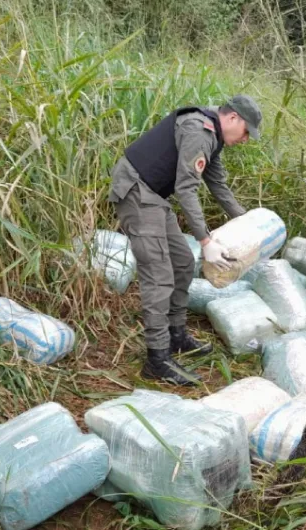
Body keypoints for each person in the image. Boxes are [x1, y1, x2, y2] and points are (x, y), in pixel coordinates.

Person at [108, 94, 263, 386]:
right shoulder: (198, 131)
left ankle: (176, 335)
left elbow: (217, 184)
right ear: (233, 119)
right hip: (137, 191)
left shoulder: (213, 137)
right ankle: (157, 359)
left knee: (181, 262)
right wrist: (206, 242)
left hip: (153, 195)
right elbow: (186, 189)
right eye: (246, 132)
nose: (245, 140)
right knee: (159, 274)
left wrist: (247, 222)